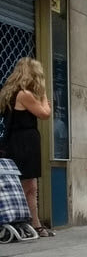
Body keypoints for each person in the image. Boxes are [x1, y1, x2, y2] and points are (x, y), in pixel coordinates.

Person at [0, 58, 53, 237]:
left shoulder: (10, 93)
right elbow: (45, 113)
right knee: (29, 186)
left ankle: (30, 222)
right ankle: (33, 224)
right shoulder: (25, 95)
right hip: (25, 143)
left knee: (23, 184)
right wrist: (44, 96)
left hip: (14, 141)